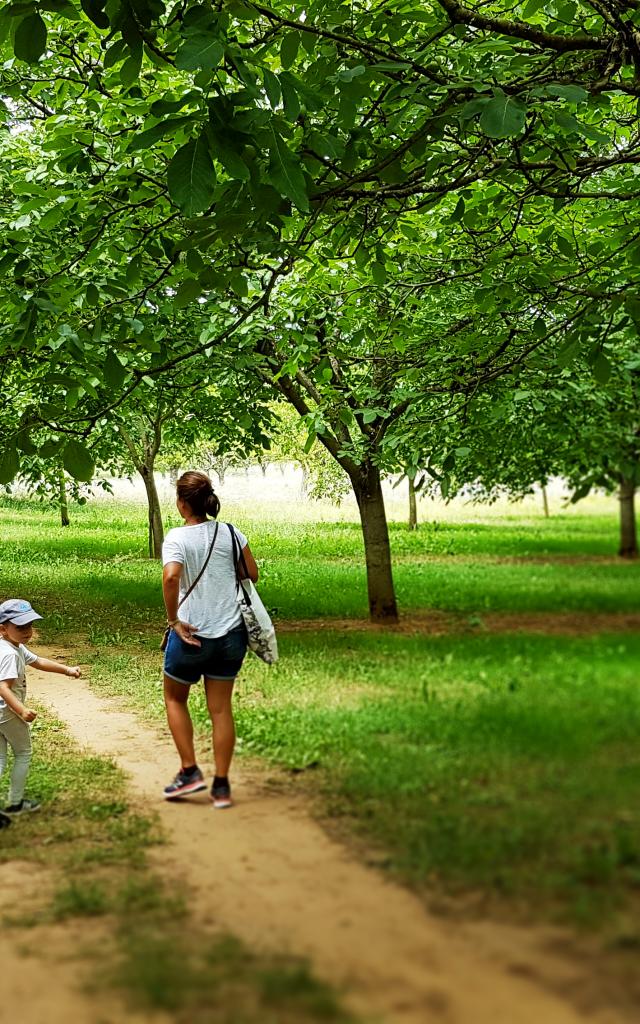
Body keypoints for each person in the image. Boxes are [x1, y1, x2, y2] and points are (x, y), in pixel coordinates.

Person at [162, 471, 258, 810]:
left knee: (175, 699)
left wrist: (174, 619)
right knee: (220, 710)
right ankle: (221, 786)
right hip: (231, 633)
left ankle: (190, 771)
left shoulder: (177, 538)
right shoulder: (232, 532)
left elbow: (172, 576)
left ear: (183, 503)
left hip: (192, 633)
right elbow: (252, 573)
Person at [0, 599, 81, 818]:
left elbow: (38, 661)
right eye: (20, 627)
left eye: (29, 625)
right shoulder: (8, 654)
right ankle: (15, 804)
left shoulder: (11, 646)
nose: (27, 631)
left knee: (0, 758)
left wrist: (66, 670)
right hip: (7, 712)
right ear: (3, 629)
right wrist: (21, 710)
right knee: (23, 753)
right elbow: (3, 688)